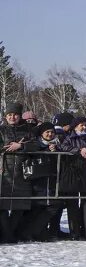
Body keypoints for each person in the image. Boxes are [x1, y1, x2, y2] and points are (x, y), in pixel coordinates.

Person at [1, 102, 35, 242]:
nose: (12, 117)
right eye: (9, 115)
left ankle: (11, 234)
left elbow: (35, 144)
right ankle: (7, 235)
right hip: (4, 172)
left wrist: (20, 146)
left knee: (19, 206)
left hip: (23, 172)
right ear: (5, 116)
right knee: (2, 206)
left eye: (15, 114)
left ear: (20, 116)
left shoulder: (28, 129)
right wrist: (7, 147)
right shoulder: (1, 130)